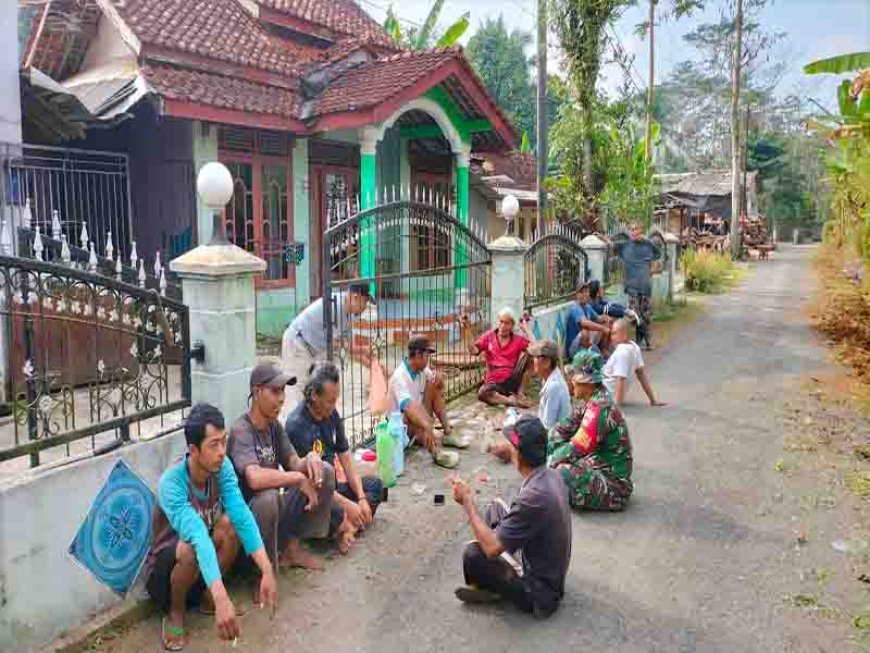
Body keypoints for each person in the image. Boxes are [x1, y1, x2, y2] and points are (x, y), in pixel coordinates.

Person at [145, 403, 278, 651]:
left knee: (230, 523)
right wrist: (223, 597)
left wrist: (266, 568)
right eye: (213, 445)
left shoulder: (222, 467)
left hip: (204, 566)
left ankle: (207, 598)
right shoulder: (171, 483)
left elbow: (241, 514)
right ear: (194, 450)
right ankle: (176, 612)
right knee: (189, 547)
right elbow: (197, 536)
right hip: (167, 574)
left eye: (224, 442)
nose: (221, 452)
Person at [452, 415, 572, 618]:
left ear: (521, 456)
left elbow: (491, 550)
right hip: (548, 567)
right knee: (496, 507)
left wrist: (467, 502)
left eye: (512, 447)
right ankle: (502, 568)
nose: (509, 448)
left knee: (474, 554)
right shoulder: (551, 474)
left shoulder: (534, 498)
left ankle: (494, 589)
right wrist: (501, 450)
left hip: (540, 592)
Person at [228, 358, 339, 574]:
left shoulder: (274, 427)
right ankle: (261, 571)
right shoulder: (242, 430)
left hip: (273, 519)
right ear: (257, 391)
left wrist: (310, 459)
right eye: (275, 391)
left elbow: (294, 463)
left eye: (283, 392)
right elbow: (254, 478)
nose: (281, 399)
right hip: (246, 527)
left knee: (323, 470)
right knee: (270, 498)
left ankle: (293, 549)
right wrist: (297, 478)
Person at [285, 361, 383, 552]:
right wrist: (348, 505)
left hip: (334, 490)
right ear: (313, 395)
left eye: (336, 399)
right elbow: (315, 485)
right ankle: (345, 525)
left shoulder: (332, 415)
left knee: (375, 486)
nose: (334, 405)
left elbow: (345, 456)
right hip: (313, 496)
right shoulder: (297, 425)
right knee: (335, 510)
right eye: (330, 401)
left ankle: (348, 530)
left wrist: (361, 498)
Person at [549, 350, 633, 511]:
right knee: (556, 452)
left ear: (585, 382)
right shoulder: (592, 400)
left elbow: (576, 447)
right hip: (597, 466)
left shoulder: (600, 408)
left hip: (614, 486)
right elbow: (563, 428)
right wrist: (548, 445)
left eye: (573, 377)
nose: (571, 381)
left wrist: (547, 462)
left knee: (560, 472)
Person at [281, 283, 372, 406]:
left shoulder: (350, 314)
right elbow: (334, 343)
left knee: (316, 388)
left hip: (315, 347)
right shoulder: (334, 305)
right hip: (298, 342)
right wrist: (357, 349)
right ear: (355, 297)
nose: (365, 307)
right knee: (296, 388)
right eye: (365, 302)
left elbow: (349, 347)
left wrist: (373, 365)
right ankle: (295, 423)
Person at [388, 334, 470, 469]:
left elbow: (441, 389)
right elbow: (408, 408)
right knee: (410, 413)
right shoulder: (399, 377)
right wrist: (426, 425)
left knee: (433, 384)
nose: (428, 360)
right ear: (419, 354)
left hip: (416, 420)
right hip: (401, 429)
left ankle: (448, 433)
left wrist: (440, 379)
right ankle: (436, 453)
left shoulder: (421, 371)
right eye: (427, 356)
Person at [469, 307, 535, 408]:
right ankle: (511, 401)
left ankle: (520, 393)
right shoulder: (489, 337)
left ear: (512, 325)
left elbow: (536, 348)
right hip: (494, 382)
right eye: (501, 322)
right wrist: (466, 328)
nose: (503, 326)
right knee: (483, 393)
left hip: (512, 380)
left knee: (531, 355)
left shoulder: (517, 340)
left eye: (507, 323)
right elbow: (473, 351)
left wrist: (525, 328)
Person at [616, 223, 662, 350]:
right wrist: (602, 238)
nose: (634, 231)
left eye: (636, 228)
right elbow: (611, 246)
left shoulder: (647, 244)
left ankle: (643, 341)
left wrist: (647, 240)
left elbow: (658, 253)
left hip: (645, 286)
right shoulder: (625, 246)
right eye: (632, 229)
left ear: (641, 230)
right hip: (632, 287)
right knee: (634, 315)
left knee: (645, 315)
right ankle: (643, 339)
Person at [604, 319, 665, 408]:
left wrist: (616, 408)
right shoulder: (634, 347)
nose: (611, 337)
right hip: (608, 392)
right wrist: (653, 400)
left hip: (604, 395)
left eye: (614, 333)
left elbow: (620, 380)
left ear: (624, 335)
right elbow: (641, 375)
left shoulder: (622, 352)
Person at [529, 339, 571, 432]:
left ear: (547, 362)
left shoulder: (553, 386)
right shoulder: (548, 379)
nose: (533, 360)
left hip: (555, 438)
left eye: (536, 357)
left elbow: (548, 426)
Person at [566, 283, 611, 359]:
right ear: (576, 295)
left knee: (604, 323)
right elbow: (584, 323)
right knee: (585, 331)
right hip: (574, 348)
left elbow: (598, 318)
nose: (584, 294)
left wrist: (606, 318)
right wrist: (602, 328)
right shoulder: (575, 307)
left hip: (586, 343)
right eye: (581, 292)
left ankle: (604, 350)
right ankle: (583, 357)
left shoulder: (587, 306)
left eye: (586, 292)